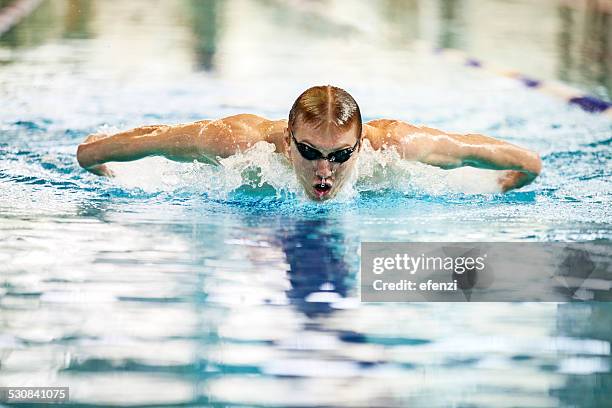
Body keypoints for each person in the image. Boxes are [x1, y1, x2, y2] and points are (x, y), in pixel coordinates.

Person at [76, 85, 542, 200]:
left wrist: (507, 182)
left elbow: (528, 162)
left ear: (361, 144)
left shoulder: (399, 146)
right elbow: (99, 150)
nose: (325, 171)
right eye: (310, 152)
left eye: (341, 155)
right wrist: (106, 170)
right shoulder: (236, 143)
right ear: (286, 137)